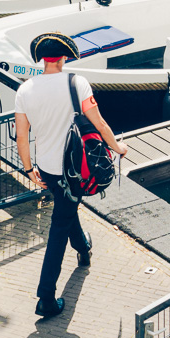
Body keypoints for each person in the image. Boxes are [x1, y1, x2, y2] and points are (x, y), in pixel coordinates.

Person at [15, 33, 127, 318]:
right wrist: (118, 147)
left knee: (66, 207)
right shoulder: (76, 83)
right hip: (76, 169)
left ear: (42, 59)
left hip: (49, 169)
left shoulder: (25, 90)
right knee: (59, 225)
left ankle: (83, 246)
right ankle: (46, 297)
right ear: (64, 58)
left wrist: (29, 169)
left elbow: (22, 137)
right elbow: (98, 122)